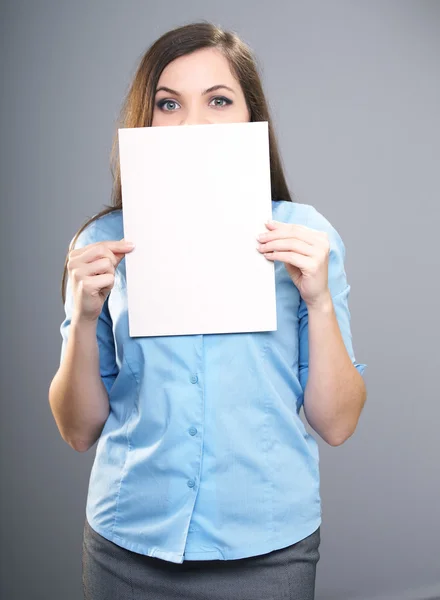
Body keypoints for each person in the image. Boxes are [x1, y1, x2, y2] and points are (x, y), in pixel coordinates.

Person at [48, 21, 367, 600]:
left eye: (218, 101)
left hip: (268, 550)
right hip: (127, 543)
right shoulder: (101, 243)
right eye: (168, 103)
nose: (192, 123)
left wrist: (318, 302)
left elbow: (337, 424)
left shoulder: (306, 238)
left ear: (251, 116)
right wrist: (85, 318)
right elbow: (77, 430)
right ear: (145, 120)